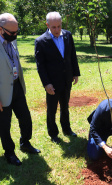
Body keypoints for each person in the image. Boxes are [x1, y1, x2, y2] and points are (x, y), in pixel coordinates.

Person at [0, 13, 40, 166]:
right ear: (1, 29)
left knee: (25, 117)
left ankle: (25, 143)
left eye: (17, 32)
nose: (15, 35)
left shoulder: (12, 40)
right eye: (12, 33)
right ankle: (9, 153)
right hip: (2, 92)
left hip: (17, 86)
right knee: (4, 125)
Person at [35, 12, 80, 144]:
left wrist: (75, 73)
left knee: (65, 107)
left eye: (59, 26)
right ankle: (53, 133)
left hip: (66, 79)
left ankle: (67, 129)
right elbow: (40, 66)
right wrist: (46, 83)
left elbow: (72, 55)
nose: (57, 30)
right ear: (47, 25)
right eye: (53, 27)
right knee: (52, 109)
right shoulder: (41, 41)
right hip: (52, 82)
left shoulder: (67, 35)